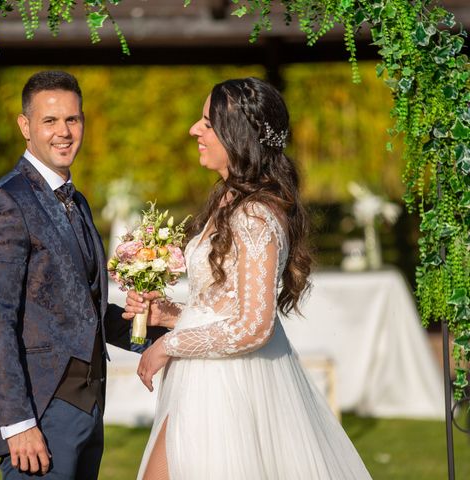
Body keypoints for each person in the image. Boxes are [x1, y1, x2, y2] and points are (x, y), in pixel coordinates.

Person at [124, 77, 372, 479]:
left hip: (226, 388)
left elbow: (254, 326)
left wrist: (170, 343)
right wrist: (170, 314)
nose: (194, 130)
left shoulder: (255, 216)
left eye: (207, 122)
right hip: (204, 374)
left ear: (236, 135)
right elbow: (226, 306)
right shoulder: (228, 198)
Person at [0, 70, 152, 479]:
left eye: (73, 119)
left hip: (88, 407)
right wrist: (18, 424)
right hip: (39, 414)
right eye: (50, 121)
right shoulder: (2, 204)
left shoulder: (76, 201)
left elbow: (81, 311)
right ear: (25, 126)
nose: (63, 132)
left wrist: (156, 333)